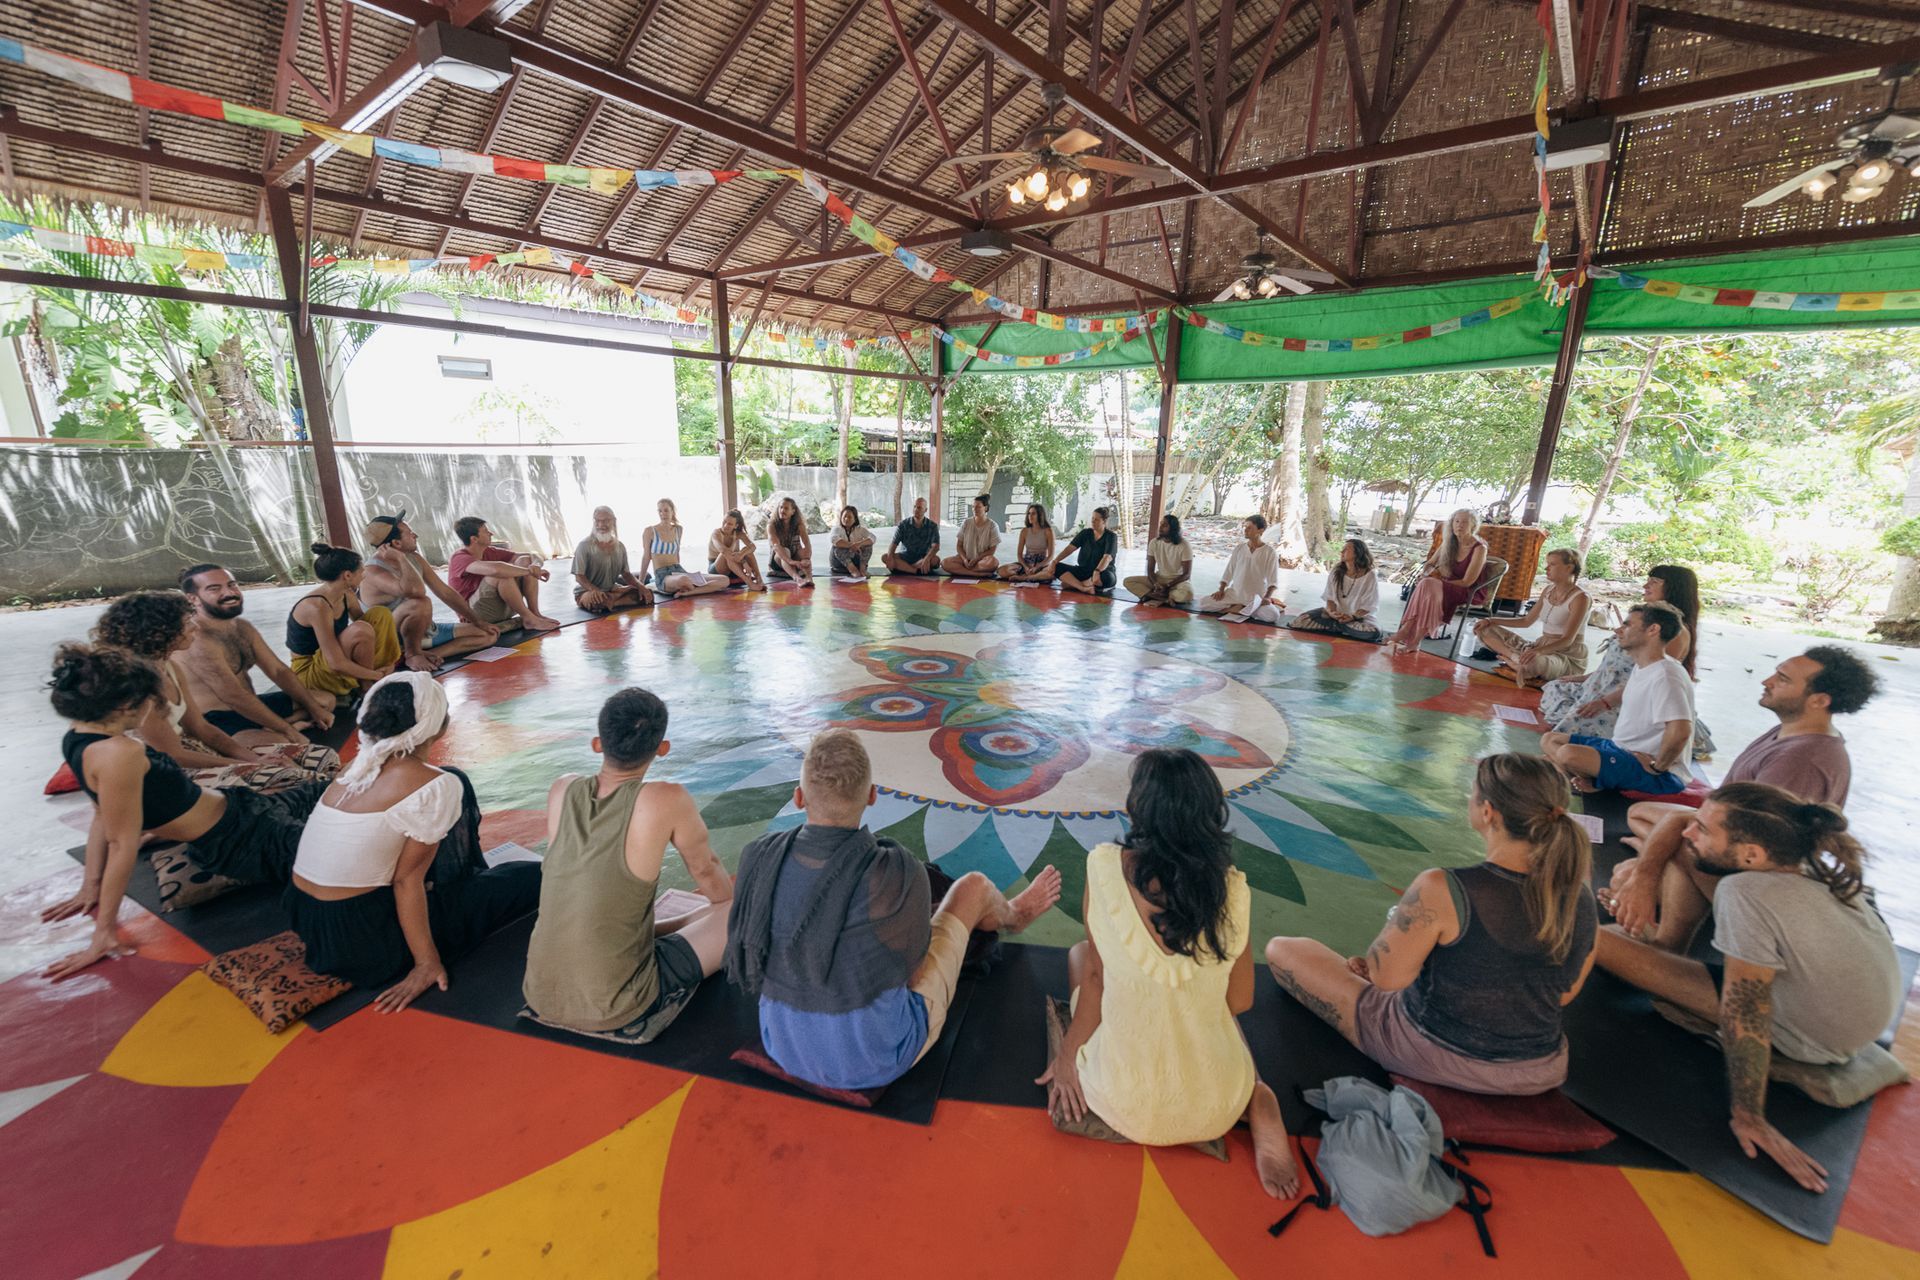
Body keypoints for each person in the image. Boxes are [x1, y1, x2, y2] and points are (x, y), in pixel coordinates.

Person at [1593, 784, 1903, 1193]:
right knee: (1687, 856)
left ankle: (1653, 953)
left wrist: (1748, 1115)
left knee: (1590, 935)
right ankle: (1664, 946)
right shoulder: (1806, 864)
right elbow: (1680, 825)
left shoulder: (1749, 891)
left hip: (1812, 1034)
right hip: (1860, 1014)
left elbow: (1747, 1007)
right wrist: (1644, 878)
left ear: (1752, 856)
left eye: (1704, 828)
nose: (1691, 831)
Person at [724, 729, 1063, 1091]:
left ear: (798, 798)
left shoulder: (757, 858)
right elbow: (913, 975)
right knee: (971, 887)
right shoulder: (897, 872)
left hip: (783, 1045)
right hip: (880, 1058)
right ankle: (1013, 914)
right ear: (872, 796)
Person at [1037, 748, 1297, 1198]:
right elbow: (1240, 1002)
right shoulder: (1233, 890)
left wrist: (1066, 1058)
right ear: (1211, 814)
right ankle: (1257, 1095)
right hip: (1217, 1104)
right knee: (1210, 1005)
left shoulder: (1103, 868)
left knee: (1083, 957)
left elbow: (1097, 984)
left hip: (1121, 1100)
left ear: (1136, 809)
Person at [1264, 754, 1596, 1095]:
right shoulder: (1581, 899)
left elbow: (1385, 978)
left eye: (1472, 793)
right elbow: (1564, 993)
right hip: (1539, 1069)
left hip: (1433, 1054)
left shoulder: (1444, 887)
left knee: (1285, 950)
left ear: (1488, 812)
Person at [40, 644, 329, 978]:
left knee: (336, 788)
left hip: (245, 807)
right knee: (359, 845)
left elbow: (101, 815)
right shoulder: (122, 752)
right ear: (122, 705)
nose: (153, 706)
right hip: (245, 839)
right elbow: (121, 843)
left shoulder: (76, 736)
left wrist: (90, 886)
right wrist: (104, 930)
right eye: (148, 698)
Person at [285, 673, 540, 1008]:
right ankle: (466, 888)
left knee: (452, 783)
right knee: (531, 876)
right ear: (439, 727)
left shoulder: (354, 767)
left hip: (307, 918)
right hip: (365, 941)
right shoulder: (434, 785)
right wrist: (426, 963)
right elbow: (407, 882)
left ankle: (463, 882)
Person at [1604, 646, 1880, 943]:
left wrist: (1648, 870)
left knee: (1641, 865)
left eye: (1783, 679)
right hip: (1722, 830)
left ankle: (1669, 942)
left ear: (1819, 701)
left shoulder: (1801, 760)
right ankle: (1665, 860)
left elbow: (1748, 846)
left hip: (1748, 868)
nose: (1767, 681)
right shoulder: (1788, 733)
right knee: (1640, 815)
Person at [523, 688, 736, 1037]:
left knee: (677, 911)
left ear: (597, 743)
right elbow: (706, 870)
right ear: (662, 749)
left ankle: (692, 920)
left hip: (540, 993)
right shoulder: (666, 798)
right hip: (617, 1004)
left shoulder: (562, 788)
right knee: (738, 910)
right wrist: (727, 910)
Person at [1539, 564, 1713, 758]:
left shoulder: (1676, 631)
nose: (1646, 585)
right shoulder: (1643, 616)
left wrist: (1605, 702)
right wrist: (1585, 678)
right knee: (1555, 688)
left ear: (1673, 588)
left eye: (1654, 582)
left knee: (1565, 734)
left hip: (1627, 698)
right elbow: (1614, 665)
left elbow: (1650, 678)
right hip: (1602, 689)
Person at [92, 591, 261, 773]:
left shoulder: (170, 667)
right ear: (159, 632)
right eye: (187, 622)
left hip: (189, 751)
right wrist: (249, 766)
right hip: (162, 769)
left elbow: (200, 727)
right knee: (284, 782)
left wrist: (252, 758)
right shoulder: (138, 684)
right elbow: (172, 755)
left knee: (290, 761)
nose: (195, 627)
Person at [1541, 602, 1692, 796]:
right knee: (1550, 739)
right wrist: (1605, 702)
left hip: (1658, 772)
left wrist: (1658, 767)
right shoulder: (1645, 665)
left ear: (1653, 630)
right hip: (1620, 747)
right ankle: (1588, 777)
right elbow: (1633, 688)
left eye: (1627, 625)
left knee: (1567, 754)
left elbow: (1681, 731)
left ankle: (1583, 776)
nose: (1618, 630)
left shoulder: (1666, 675)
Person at [177, 563, 337, 744]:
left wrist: (313, 708)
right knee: (287, 746)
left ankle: (275, 728)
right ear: (193, 599)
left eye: (232, 585)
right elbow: (233, 696)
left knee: (324, 701)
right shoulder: (197, 640)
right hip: (217, 718)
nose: (229, 593)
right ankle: (282, 730)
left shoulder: (241, 627)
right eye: (214, 589)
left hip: (251, 704)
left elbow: (278, 670)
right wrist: (287, 730)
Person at [359, 512, 499, 669]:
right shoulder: (373, 570)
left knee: (487, 635)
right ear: (396, 544)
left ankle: (429, 655)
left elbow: (445, 592)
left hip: (421, 630)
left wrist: (478, 621)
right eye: (410, 533)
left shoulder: (414, 557)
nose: (416, 535)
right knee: (420, 603)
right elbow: (416, 592)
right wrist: (401, 559)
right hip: (390, 637)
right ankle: (413, 654)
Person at [287, 543, 402, 698]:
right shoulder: (317, 607)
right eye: (361, 570)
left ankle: (375, 673)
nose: (364, 574)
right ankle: (367, 686)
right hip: (310, 672)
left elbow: (372, 628)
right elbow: (335, 662)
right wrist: (375, 675)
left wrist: (387, 665)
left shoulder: (346, 595)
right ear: (347, 575)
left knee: (380, 614)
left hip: (332, 660)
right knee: (361, 630)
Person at [1473, 548, 1590, 687]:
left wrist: (1537, 652)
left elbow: (1567, 640)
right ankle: (1516, 660)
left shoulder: (1581, 598)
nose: (1546, 568)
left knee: (1534, 662)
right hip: (1540, 646)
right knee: (1484, 629)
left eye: (1552, 564)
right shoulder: (1548, 590)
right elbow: (1526, 621)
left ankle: (1520, 664)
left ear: (1569, 568)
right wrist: (1490, 620)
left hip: (1565, 655)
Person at [1389, 508, 1488, 654]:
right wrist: (1426, 574)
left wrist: (1436, 582)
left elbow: (1467, 582)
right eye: (1456, 521)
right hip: (1439, 587)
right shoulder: (1449, 543)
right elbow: (1430, 563)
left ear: (1473, 525)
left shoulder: (1480, 548)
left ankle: (1406, 632)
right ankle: (1413, 640)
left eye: (1465, 522)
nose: (1459, 525)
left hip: (1466, 590)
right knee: (1426, 583)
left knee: (1429, 584)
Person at [449, 516, 560, 633]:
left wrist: (536, 566)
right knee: (501, 575)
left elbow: (532, 555)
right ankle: (529, 619)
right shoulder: (459, 558)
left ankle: (534, 613)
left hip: (498, 608)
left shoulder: (489, 551)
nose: (491, 533)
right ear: (474, 539)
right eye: (486, 531)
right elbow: (495, 570)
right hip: (475, 616)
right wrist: (529, 571)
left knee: (525, 560)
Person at [1286, 538, 1381, 641]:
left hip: (1358, 618)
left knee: (1374, 633)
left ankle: (1336, 626)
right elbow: (1330, 598)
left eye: (1346, 549)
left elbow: (1368, 606)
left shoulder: (1370, 575)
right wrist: (1332, 613)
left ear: (1357, 553)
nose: (1342, 552)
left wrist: (1352, 617)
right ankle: (1342, 627)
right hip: (1335, 616)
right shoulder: (1337, 570)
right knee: (1298, 621)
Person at [1195, 515, 1281, 623]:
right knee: (1203, 603)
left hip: (1256, 598)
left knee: (1273, 616)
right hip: (1234, 594)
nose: (1245, 530)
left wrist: (1267, 598)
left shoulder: (1269, 552)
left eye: (1249, 528)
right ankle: (1242, 609)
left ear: (1260, 530)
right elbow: (1229, 570)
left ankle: (1239, 609)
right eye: (1245, 527)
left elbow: (1273, 580)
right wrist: (1221, 590)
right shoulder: (1239, 548)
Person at [637, 498, 728, 599]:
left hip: (679, 571)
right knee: (684, 580)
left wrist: (684, 575)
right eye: (660, 511)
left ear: (672, 511)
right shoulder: (650, 531)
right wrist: (640, 583)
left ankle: (688, 592)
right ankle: (695, 587)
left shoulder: (678, 530)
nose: (663, 514)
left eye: (666, 510)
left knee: (724, 580)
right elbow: (646, 557)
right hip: (663, 575)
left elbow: (677, 554)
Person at [571, 505, 654, 613]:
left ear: (614, 521)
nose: (601, 525)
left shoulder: (620, 547)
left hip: (612, 589)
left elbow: (626, 574)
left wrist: (640, 586)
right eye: (597, 521)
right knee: (597, 601)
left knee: (647, 594)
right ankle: (612, 600)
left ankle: (611, 601)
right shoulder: (584, 546)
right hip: (587, 592)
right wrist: (594, 590)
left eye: (605, 521)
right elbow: (579, 577)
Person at [1122, 514, 1193, 605]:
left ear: (1173, 528)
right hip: (1159, 579)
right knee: (1128, 581)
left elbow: (1186, 574)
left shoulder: (1184, 545)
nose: (1161, 527)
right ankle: (1163, 598)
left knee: (1187, 594)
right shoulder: (1154, 543)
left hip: (1178, 582)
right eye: (1161, 524)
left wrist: (1168, 586)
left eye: (1165, 525)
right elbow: (1150, 569)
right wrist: (1155, 583)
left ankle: (1152, 594)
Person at [1052, 506, 1120, 595]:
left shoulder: (1111, 537)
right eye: (1092, 518)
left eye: (1096, 519)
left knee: (1107, 577)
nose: (1093, 521)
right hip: (1083, 571)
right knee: (1057, 567)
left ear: (1104, 521)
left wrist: (1097, 571)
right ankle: (1083, 587)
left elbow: (1107, 557)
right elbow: (1069, 549)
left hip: (1102, 572)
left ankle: (1075, 584)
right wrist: (1055, 561)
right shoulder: (1085, 533)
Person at [709, 509, 768, 591]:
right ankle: (749, 583)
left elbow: (752, 546)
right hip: (716, 568)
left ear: (735, 526)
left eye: (730, 524)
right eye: (724, 521)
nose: (725, 525)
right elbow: (723, 550)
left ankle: (759, 579)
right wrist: (743, 562)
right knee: (726, 554)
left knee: (747, 551)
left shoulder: (738, 533)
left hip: (731, 565)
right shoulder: (716, 533)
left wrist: (741, 554)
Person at [942, 494, 1001, 578]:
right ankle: (976, 574)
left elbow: (992, 550)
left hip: (981, 561)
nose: (974, 509)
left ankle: (962, 571)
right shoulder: (966, 523)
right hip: (965, 560)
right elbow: (959, 546)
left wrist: (976, 559)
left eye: (978, 507)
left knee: (994, 563)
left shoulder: (992, 526)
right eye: (973, 507)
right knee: (944, 563)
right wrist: (965, 559)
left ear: (986, 508)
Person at [882, 496, 941, 576]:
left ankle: (905, 569)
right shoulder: (903, 524)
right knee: (885, 557)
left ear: (925, 510)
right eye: (915, 507)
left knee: (936, 560)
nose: (916, 509)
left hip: (923, 557)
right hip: (905, 557)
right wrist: (890, 558)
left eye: (919, 507)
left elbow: (936, 546)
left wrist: (927, 559)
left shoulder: (932, 526)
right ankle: (916, 571)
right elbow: (894, 543)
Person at [997, 503, 1056, 582]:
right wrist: (1025, 567)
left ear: (1040, 515)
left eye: (1033, 514)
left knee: (1051, 573)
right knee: (1002, 571)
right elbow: (1019, 554)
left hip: (1041, 564)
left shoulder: (1048, 531)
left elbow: (1051, 556)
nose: (1030, 516)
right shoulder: (1024, 531)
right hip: (1026, 562)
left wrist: (1038, 567)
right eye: (1029, 513)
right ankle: (1034, 576)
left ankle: (1024, 578)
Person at [766, 497, 816, 587]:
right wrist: (790, 561)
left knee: (804, 551)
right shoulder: (772, 525)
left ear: (793, 511)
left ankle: (809, 578)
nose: (782, 510)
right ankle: (798, 579)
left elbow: (807, 544)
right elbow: (776, 545)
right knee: (785, 551)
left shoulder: (799, 525)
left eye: (786, 508)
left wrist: (806, 559)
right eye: (780, 507)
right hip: (778, 559)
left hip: (794, 557)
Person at [830, 505, 876, 579]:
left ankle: (862, 569)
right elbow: (834, 540)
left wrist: (859, 544)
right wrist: (851, 545)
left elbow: (873, 538)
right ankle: (853, 570)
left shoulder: (860, 530)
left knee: (868, 544)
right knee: (837, 547)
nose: (846, 519)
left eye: (849, 517)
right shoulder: (836, 529)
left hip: (855, 561)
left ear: (855, 519)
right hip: (839, 566)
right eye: (844, 516)